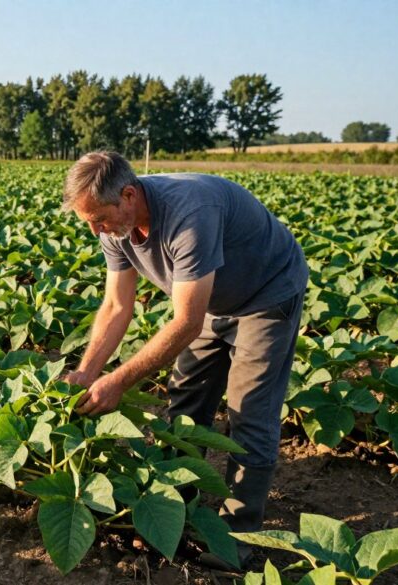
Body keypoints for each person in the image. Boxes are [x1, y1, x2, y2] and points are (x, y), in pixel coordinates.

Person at [60, 151, 308, 569]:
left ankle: (237, 542)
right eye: (88, 221)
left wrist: (119, 381)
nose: (95, 230)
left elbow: (187, 322)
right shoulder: (112, 226)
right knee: (186, 407)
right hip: (211, 302)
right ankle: (178, 513)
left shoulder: (189, 212)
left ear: (129, 195)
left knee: (249, 415)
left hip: (266, 294)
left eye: (99, 218)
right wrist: (87, 372)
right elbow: (117, 306)